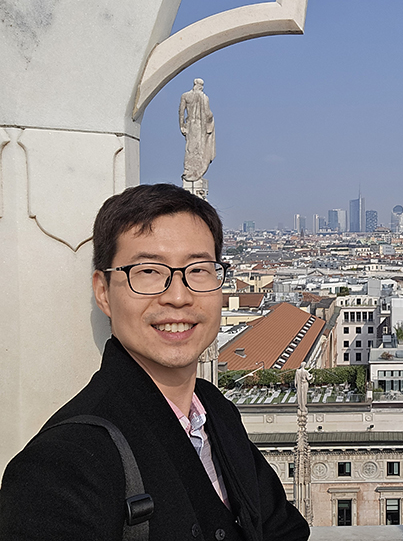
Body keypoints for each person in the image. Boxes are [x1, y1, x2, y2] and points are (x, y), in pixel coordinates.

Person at [0, 184, 309, 541]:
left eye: (198, 269)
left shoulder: (216, 412)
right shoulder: (61, 466)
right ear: (103, 291)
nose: (178, 296)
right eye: (148, 271)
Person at [179, 78, 216, 182]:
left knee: (190, 148)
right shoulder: (204, 97)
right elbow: (208, 114)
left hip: (190, 124)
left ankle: (188, 170)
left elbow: (181, 112)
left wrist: (182, 125)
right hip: (200, 126)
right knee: (199, 148)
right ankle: (195, 171)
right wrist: (212, 120)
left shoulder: (185, 96)